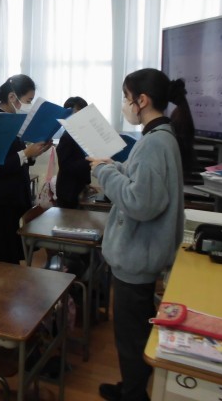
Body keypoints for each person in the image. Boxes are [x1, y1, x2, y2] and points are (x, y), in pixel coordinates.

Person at [89, 68, 188, 401]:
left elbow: (139, 202)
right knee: (134, 332)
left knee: (130, 337)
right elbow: (141, 180)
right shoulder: (159, 135)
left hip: (137, 258)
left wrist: (104, 172)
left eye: (125, 97)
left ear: (141, 100)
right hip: (142, 255)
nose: (124, 105)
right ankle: (131, 386)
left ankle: (133, 395)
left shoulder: (154, 142)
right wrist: (114, 167)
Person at [0, 74, 51, 265]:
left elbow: (17, 156)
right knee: (0, 258)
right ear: (12, 97)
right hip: (0, 199)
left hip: (15, 193)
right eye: (28, 100)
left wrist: (34, 153)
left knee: (12, 255)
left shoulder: (12, 118)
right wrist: (26, 153)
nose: (29, 105)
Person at [55, 96, 91, 209]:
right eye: (78, 113)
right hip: (68, 191)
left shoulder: (81, 134)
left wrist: (87, 184)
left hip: (79, 187)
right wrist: (90, 160)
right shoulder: (67, 136)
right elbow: (66, 166)